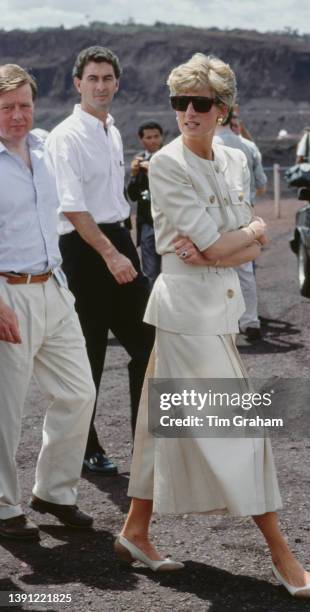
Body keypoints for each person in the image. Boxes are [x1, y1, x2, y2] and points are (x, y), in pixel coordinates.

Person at [115, 53, 310, 598]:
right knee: (242, 433)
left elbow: (228, 243)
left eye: (200, 103)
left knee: (162, 425)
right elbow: (212, 244)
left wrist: (243, 235)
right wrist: (238, 240)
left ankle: (135, 530)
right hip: (186, 317)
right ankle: (282, 554)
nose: (188, 112)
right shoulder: (165, 165)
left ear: (224, 110)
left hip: (219, 311)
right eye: (179, 102)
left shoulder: (233, 160)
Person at [46, 47, 154, 476]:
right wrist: (110, 255)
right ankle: (86, 448)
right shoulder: (65, 136)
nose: (101, 85)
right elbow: (72, 208)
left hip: (115, 238)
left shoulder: (111, 131)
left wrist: (123, 246)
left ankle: (146, 441)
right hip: (82, 248)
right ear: (78, 83)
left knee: (149, 344)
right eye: (93, 78)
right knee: (87, 355)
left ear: (117, 82)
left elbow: (114, 201)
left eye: (108, 78)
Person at [0, 64, 95, 540]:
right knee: (5, 407)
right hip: (6, 291)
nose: (18, 116)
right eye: (7, 108)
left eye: (25, 106)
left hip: (53, 286)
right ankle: (2, 505)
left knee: (79, 392)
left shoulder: (44, 147)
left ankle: (53, 492)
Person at [214, 109, 267, 341]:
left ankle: (222, 322)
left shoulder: (204, 144)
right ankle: (250, 320)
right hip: (243, 215)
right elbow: (261, 185)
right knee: (245, 272)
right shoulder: (248, 146)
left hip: (215, 217)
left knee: (215, 271)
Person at [126, 121, 163, 287]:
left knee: (173, 271)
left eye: (156, 136)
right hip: (147, 223)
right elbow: (133, 196)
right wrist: (134, 175)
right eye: (149, 137)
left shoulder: (169, 158)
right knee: (150, 272)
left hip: (168, 222)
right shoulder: (139, 161)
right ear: (141, 140)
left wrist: (154, 172)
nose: (153, 140)